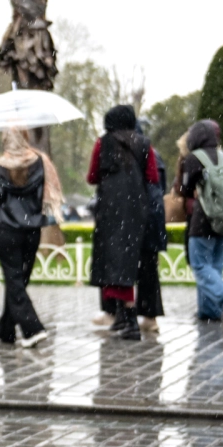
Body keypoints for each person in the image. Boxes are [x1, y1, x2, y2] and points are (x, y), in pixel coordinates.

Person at [0, 127, 64, 347]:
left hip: (7, 231)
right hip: (32, 230)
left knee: (15, 282)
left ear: (6, 139)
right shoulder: (40, 163)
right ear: (26, 138)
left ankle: (32, 329)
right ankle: (4, 330)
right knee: (19, 281)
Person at [87, 104, 160, 341]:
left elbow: (92, 176)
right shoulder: (144, 143)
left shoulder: (103, 143)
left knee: (112, 260)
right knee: (129, 261)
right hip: (137, 208)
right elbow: (152, 177)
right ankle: (123, 318)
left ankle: (128, 319)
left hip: (110, 208)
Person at [177, 120, 223, 322]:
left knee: (200, 265)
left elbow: (185, 190)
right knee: (214, 266)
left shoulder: (194, 159)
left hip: (203, 221)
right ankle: (209, 311)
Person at [135, 118, 167, 332]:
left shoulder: (137, 154)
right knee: (149, 268)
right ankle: (150, 314)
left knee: (139, 267)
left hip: (142, 215)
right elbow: (161, 187)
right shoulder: (156, 155)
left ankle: (135, 312)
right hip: (155, 216)